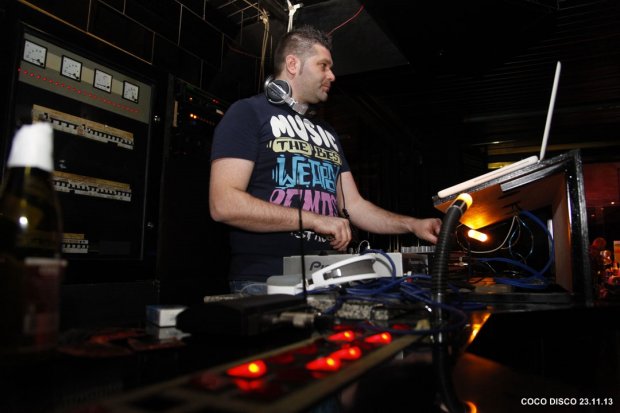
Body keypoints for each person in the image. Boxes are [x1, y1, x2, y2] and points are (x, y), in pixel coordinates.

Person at [209, 25, 441, 294]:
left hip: (327, 278)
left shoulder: (327, 132)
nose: (332, 75)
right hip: (265, 281)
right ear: (293, 64)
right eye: (323, 65)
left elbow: (354, 206)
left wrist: (413, 225)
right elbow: (224, 204)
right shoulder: (248, 113)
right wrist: (316, 220)